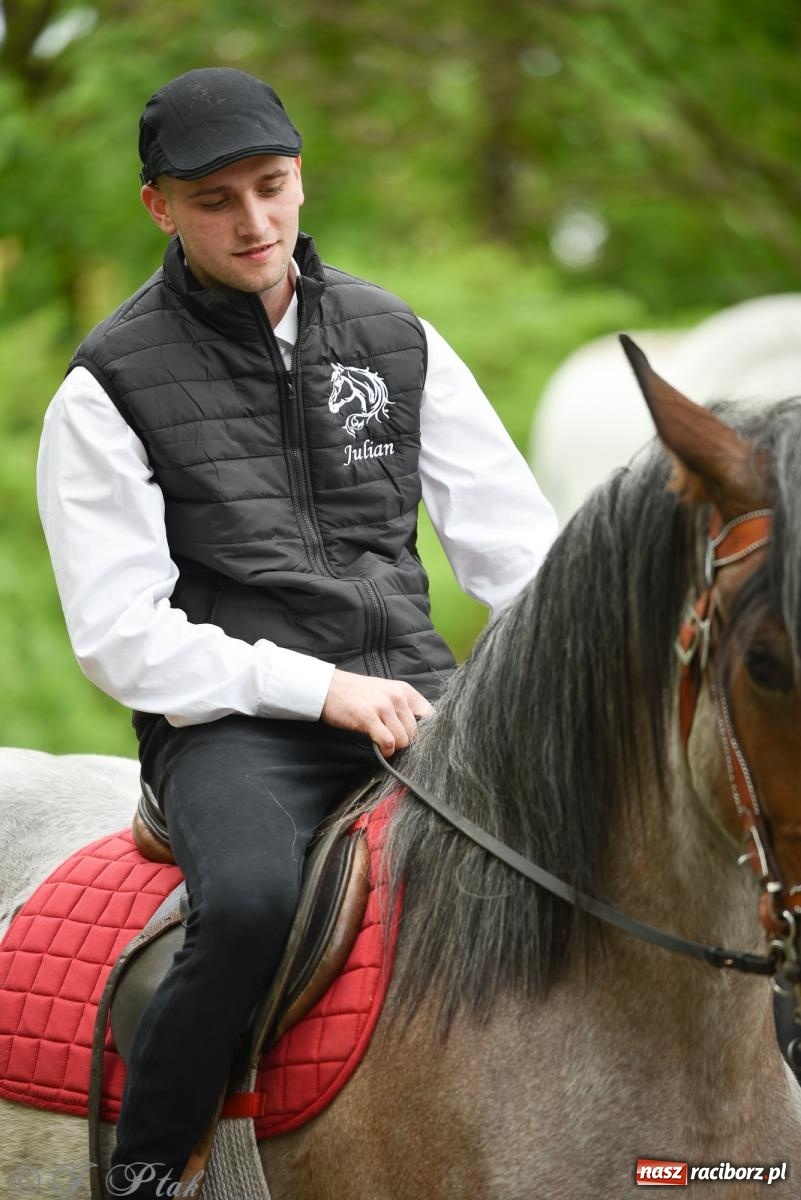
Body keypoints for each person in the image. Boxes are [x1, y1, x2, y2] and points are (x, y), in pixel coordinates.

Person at [36, 67, 557, 1197]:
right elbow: (120, 636)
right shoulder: (106, 385)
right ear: (160, 207)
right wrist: (319, 688)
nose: (254, 222)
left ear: (302, 179)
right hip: (233, 725)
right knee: (254, 905)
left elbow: (519, 559)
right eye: (215, 199)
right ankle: (148, 1170)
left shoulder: (397, 337)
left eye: (271, 188)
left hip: (423, 699)